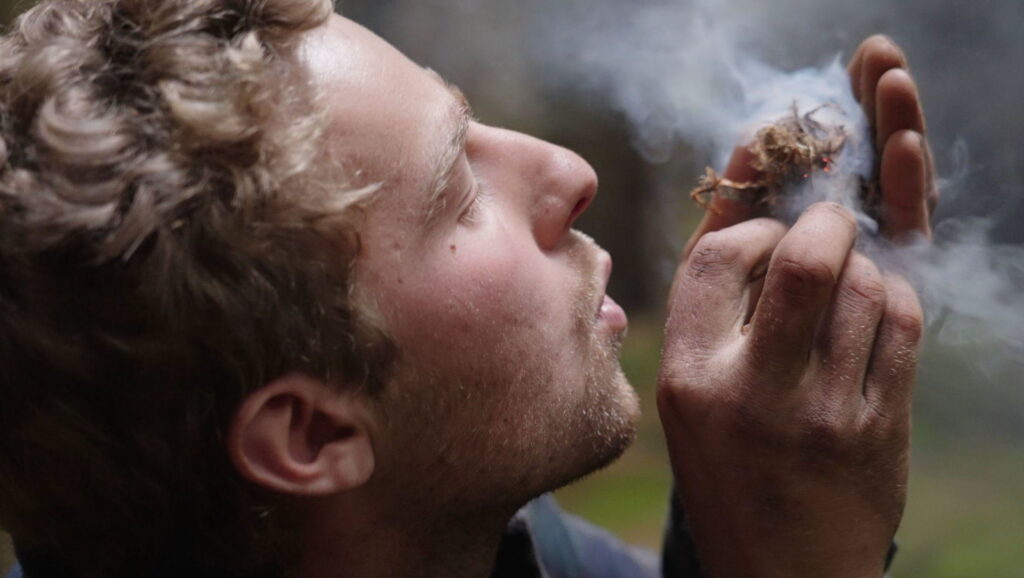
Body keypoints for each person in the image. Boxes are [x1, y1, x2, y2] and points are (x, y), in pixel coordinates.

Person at [0, 0, 935, 576]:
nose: (570, 173)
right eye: (456, 192)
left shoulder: (488, 544)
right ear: (314, 432)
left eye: (476, 121)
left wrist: (740, 519)